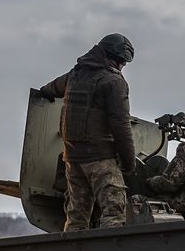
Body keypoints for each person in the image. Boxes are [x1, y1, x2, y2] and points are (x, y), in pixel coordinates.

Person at [38, 33, 136, 231]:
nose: (121, 66)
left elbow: (51, 88)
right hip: (101, 158)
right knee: (114, 212)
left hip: (73, 159)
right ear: (113, 58)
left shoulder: (75, 75)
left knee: (76, 216)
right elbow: (121, 125)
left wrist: (44, 92)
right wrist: (128, 161)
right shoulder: (114, 82)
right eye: (121, 62)